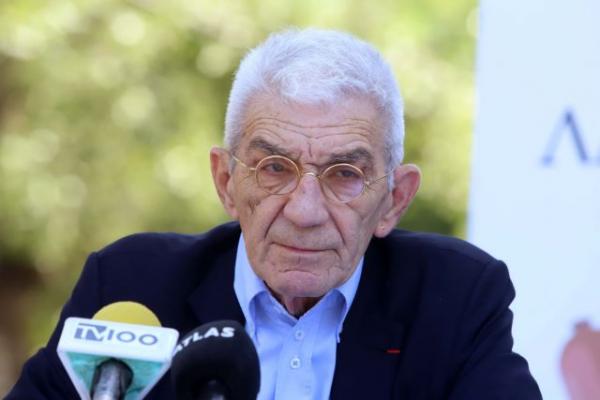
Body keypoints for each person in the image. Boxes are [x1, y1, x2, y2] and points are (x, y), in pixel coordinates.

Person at [7, 28, 542, 399]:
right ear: (226, 181)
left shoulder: (454, 299)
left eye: (344, 174)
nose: (305, 212)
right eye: (274, 168)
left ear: (394, 200)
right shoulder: (130, 288)